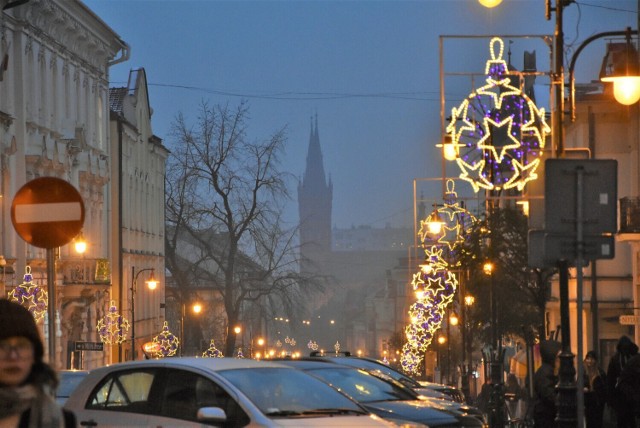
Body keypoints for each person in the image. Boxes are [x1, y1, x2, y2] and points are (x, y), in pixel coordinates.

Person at [0, 299, 76, 428]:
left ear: (34, 355)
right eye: (2, 346)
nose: (13, 356)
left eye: (22, 345)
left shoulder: (61, 421)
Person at [606, 335, 638, 428]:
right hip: (624, 396)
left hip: (626, 395)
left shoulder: (618, 358)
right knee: (627, 420)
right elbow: (610, 379)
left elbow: (610, 380)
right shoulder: (619, 359)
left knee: (625, 420)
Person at [532, 339, 561, 428]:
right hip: (546, 418)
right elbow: (549, 395)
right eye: (558, 357)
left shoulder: (547, 371)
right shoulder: (546, 372)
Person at [583, 350, 607, 428]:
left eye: (592, 359)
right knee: (589, 422)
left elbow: (604, 387)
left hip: (597, 403)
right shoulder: (583, 372)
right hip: (587, 402)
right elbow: (579, 384)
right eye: (588, 358)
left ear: (595, 360)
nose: (589, 361)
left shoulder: (600, 373)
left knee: (597, 422)